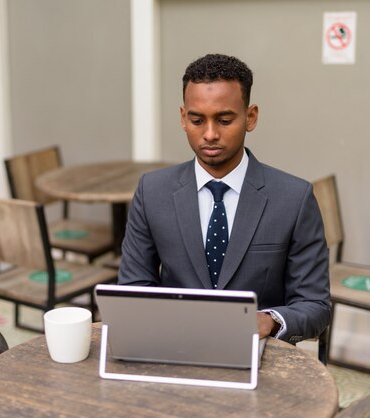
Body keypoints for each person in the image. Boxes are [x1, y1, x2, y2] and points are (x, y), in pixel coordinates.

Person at [118, 54, 330, 343]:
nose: (210, 134)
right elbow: (134, 288)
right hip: (174, 345)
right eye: (196, 120)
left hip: (259, 354)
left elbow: (315, 306)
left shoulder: (294, 198)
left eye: (224, 119)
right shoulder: (152, 191)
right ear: (183, 118)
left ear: (250, 117)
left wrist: (269, 321)